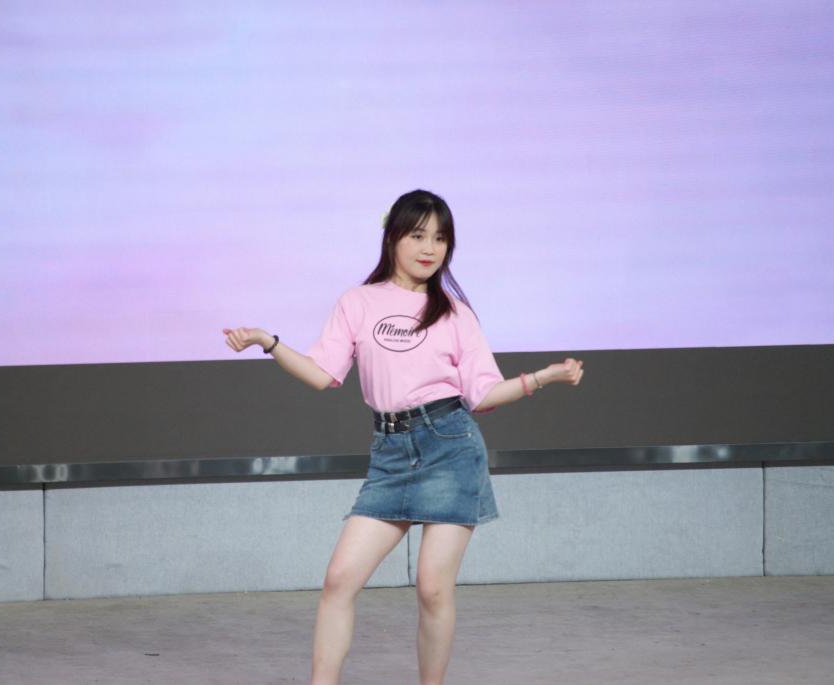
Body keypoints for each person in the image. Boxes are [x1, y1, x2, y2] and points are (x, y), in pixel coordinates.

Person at [223, 188, 584, 685]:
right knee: (338, 580)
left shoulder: (455, 312)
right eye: (417, 235)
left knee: (433, 588)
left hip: (450, 447)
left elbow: (482, 394)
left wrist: (543, 377)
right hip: (390, 453)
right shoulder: (358, 302)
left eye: (440, 238)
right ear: (392, 237)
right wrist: (269, 342)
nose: (429, 248)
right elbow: (322, 374)